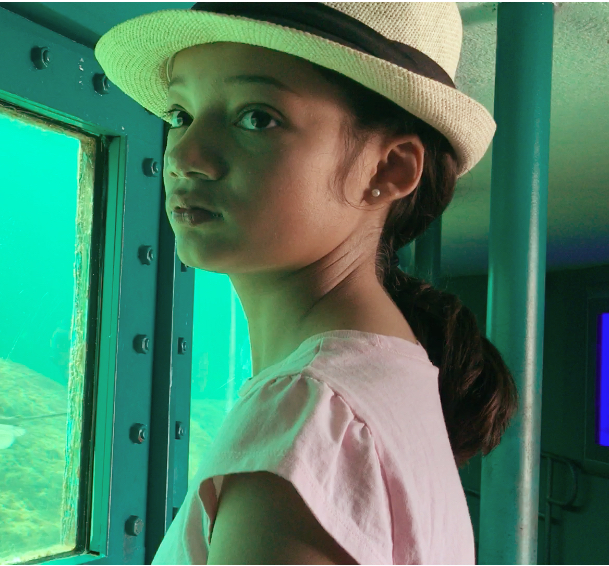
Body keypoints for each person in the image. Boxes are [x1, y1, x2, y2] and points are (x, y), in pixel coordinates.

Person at [95, 3, 519, 564]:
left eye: (257, 117)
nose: (185, 157)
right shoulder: (391, 385)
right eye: (180, 114)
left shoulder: (309, 418)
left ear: (389, 168)